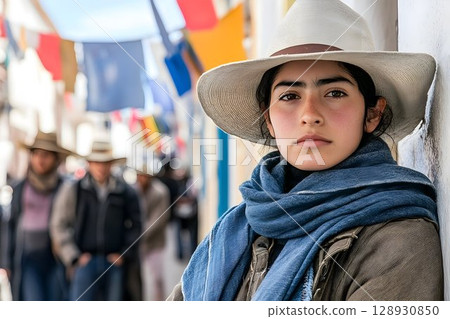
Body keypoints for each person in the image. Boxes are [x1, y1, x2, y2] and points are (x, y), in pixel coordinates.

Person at [168, 0, 443, 301]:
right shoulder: (236, 229)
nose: (309, 114)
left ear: (372, 114)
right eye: (290, 96)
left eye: (335, 93)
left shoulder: (397, 239)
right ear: (267, 119)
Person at [50, 141, 141, 301]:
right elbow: (58, 224)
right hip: (85, 261)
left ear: (111, 164)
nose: (101, 167)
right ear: (89, 163)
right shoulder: (74, 189)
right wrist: (74, 256)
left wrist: (124, 253)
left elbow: (137, 225)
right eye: (97, 162)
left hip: (114, 262)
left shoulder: (125, 192)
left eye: (105, 162)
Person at [5, 131, 70, 300]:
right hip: (27, 257)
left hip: (55, 257)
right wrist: (5, 261)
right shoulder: (20, 187)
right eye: (37, 154)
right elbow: (10, 225)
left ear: (56, 159)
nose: (41, 160)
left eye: (46, 155)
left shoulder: (65, 188)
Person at [134, 166, 170, 300]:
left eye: (144, 175)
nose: (141, 178)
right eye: (139, 175)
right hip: (138, 243)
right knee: (136, 278)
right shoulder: (134, 191)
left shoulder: (160, 192)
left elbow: (159, 220)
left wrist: (138, 234)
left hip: (155, 242)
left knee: (157, 278)